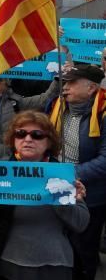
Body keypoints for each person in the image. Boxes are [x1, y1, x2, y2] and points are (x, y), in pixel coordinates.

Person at [0, 111, 89, 280]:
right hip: (6, 264)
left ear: (49, 142)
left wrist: (63, 199)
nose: (28, 139)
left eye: (37, 135)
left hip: (54, 265)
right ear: (13, 139)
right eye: (21, 133)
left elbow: (81, 223)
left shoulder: (63, 174)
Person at [46, 65, 106, 280]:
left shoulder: (103, 114)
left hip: (90, 196)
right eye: (64, 82)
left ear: (91, 88)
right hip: (57, 189)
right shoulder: (56, 107)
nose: (65, 87)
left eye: (71, 83)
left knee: (84, 249)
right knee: (61, 243)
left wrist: (69, 174)